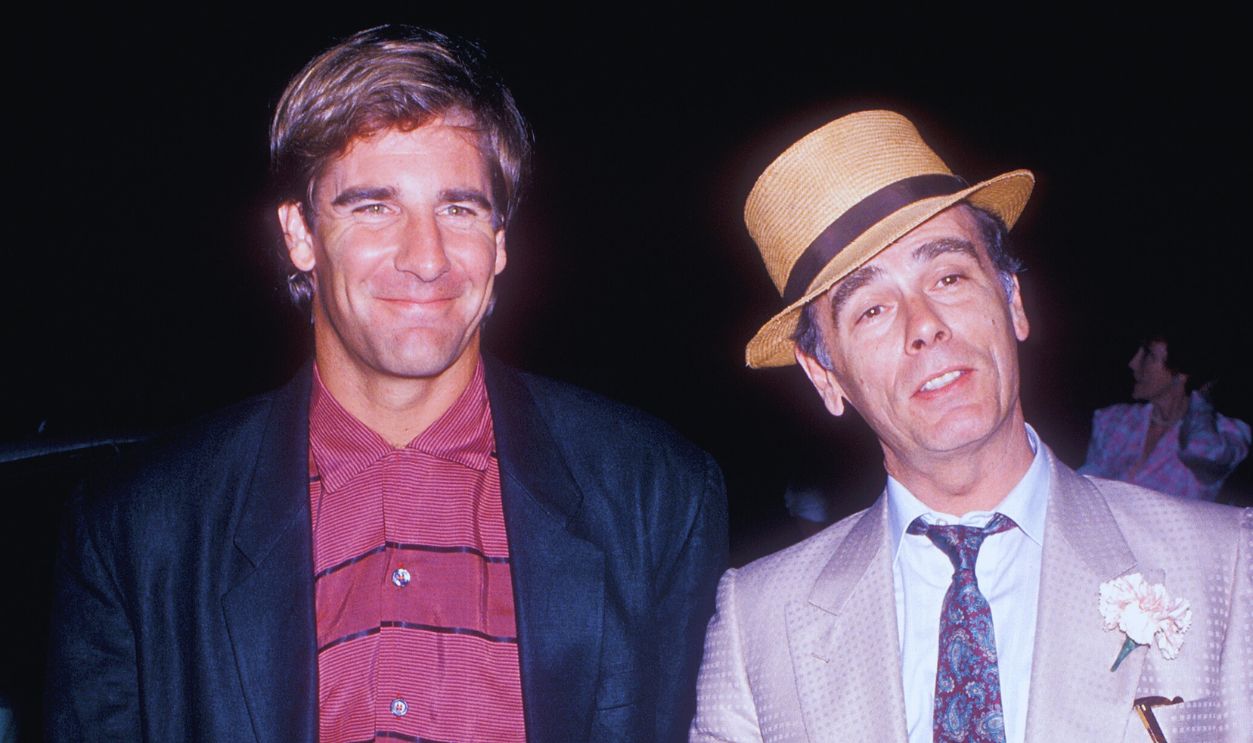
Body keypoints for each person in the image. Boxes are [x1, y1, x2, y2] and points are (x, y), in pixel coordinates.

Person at [46, 26, 726, 743]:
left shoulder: (656, 497)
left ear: (500, 242)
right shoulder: (136, 532)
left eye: (458, 208)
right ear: (300, 236)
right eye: (373, 207)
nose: (425, 258)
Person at [690, 110, 1251, 742]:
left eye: (949, 276)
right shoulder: (756, 626)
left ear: (1012, 300)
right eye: (872, 309)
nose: (923, 323)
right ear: (824, 375)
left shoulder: (1227, 567)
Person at [1080, 332, 1250, 501]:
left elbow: (1201, 451)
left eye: (1148, 354)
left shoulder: (1225, 433)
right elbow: (1085, 487)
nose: (1133, 363)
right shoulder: (1114, 420)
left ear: (1180, 373)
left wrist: (1200, 395)